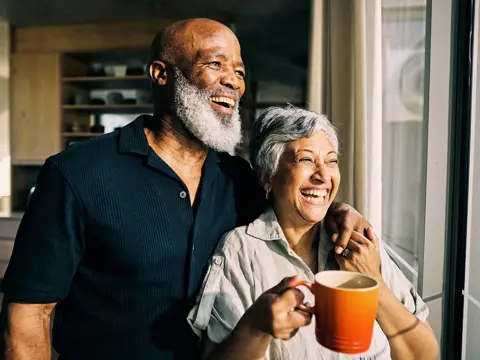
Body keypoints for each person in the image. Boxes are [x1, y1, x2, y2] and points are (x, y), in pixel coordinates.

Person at [1, 19, 368, 360]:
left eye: (239, 72)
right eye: (216, 64)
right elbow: (30, 311)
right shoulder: (76, 173)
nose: (233, 82)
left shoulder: (239, 179)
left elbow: (294, 217)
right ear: (161, 74)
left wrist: (341, 212)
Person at [188, 106, 439, 360]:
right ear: (267, 177)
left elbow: (425, 354)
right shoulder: (241, 251)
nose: (323, 176)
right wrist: (256, 328)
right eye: (306, 160)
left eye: (331, 161)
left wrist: (375, 282)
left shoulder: (360, 241)